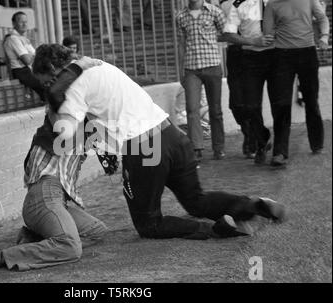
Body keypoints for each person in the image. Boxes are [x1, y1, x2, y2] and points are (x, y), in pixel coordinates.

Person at [33, 44, 286, 242]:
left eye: (47, 81)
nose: (48, 87)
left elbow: (64, 133)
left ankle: (216, 229)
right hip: (173, 135)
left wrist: (56, 106)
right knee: (196, 200)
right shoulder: (99, 66)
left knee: (149, 224)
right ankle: (254, 205)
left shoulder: (74, 85)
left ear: (55, 71)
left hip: (145, 148)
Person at [0, 57, 108, 276]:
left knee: (98, 232)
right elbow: (57, 92)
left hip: (57, 199)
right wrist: (78, 66)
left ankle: (32, 237)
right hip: (45, 193)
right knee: (70, 246)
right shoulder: (62, 110)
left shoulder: (90, 124)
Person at [263, 0, 330, 167]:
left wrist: (324, 36)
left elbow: (322, 18)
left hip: (307, 53)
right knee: (282, 104)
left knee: (311, 100)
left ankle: (317, 144)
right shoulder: (272, 5)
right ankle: (279, 152)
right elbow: (268, 32)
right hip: (282, 56)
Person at [222, 0, 275, 164]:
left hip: (265, 52)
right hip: (236, 52)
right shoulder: (226, 4)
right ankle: (252, 133)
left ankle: (256, 142)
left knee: (253, 103)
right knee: (237, 104)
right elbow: (218, 33)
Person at [176, 0, 227, 162]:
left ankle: (218, 147)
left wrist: (212, 40)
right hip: (191, 69)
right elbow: (182, 44)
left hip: (212, 65)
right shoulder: (181, 16)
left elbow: (226, 33)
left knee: (216, 110)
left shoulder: (214, 12)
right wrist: (181, 70)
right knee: (192, 109)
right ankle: (196, 147)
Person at [3, 11, 44, 100]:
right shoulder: (13, 39)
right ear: (14, 23)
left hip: (30, 69)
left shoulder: (23, 38)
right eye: (21, 22)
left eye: (26, 22)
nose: (24, 24)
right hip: (21, 71)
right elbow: (27, 60)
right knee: (45, 85)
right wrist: (35, 55)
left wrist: (34, 55)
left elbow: (35, 55)